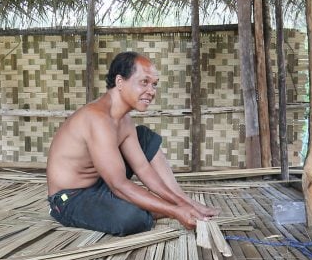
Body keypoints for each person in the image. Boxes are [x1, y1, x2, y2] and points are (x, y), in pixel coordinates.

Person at [46, 52, 217, 235]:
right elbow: (118, 184)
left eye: (154, 84)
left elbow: (143, 168)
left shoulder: (124, 120)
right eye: (144, 82)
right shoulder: (97, 118)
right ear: (120, 82)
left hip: (100, 183)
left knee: (144, 137)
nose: (151, 91)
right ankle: (162, 209)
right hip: (70, 199)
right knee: (131, 218)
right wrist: (175, 211)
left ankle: (180, 203)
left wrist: (184, 202)